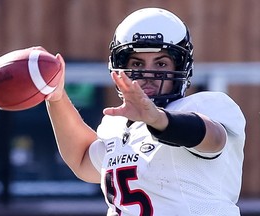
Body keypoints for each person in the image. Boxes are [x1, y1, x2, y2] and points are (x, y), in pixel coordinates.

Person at [45, 7, 246, 216]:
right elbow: (82, 159)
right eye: (137, 63)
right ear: (120, 68)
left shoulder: (205, 106)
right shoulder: (118, 126)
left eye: (161, 63)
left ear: (180, 66)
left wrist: (158, 119)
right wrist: (56, 97)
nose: (148, 74)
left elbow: (213, 138)